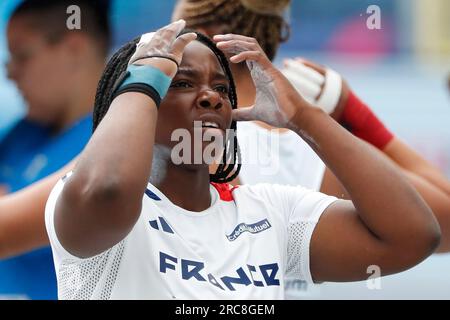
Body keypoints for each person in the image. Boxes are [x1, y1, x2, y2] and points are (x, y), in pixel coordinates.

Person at [44, 20, 440, 299]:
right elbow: (109, 186)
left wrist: (305, 119)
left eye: (220, 87)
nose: (211, 96)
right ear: (136, 100)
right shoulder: (85, 198)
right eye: (181, 83)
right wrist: (142, 80)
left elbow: (413, 235)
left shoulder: (270, 212)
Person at [0, 0, 111, 299]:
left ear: (73, 48)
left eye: (21, 56)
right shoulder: (21, 133)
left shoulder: (119, 141)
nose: (10, 73)